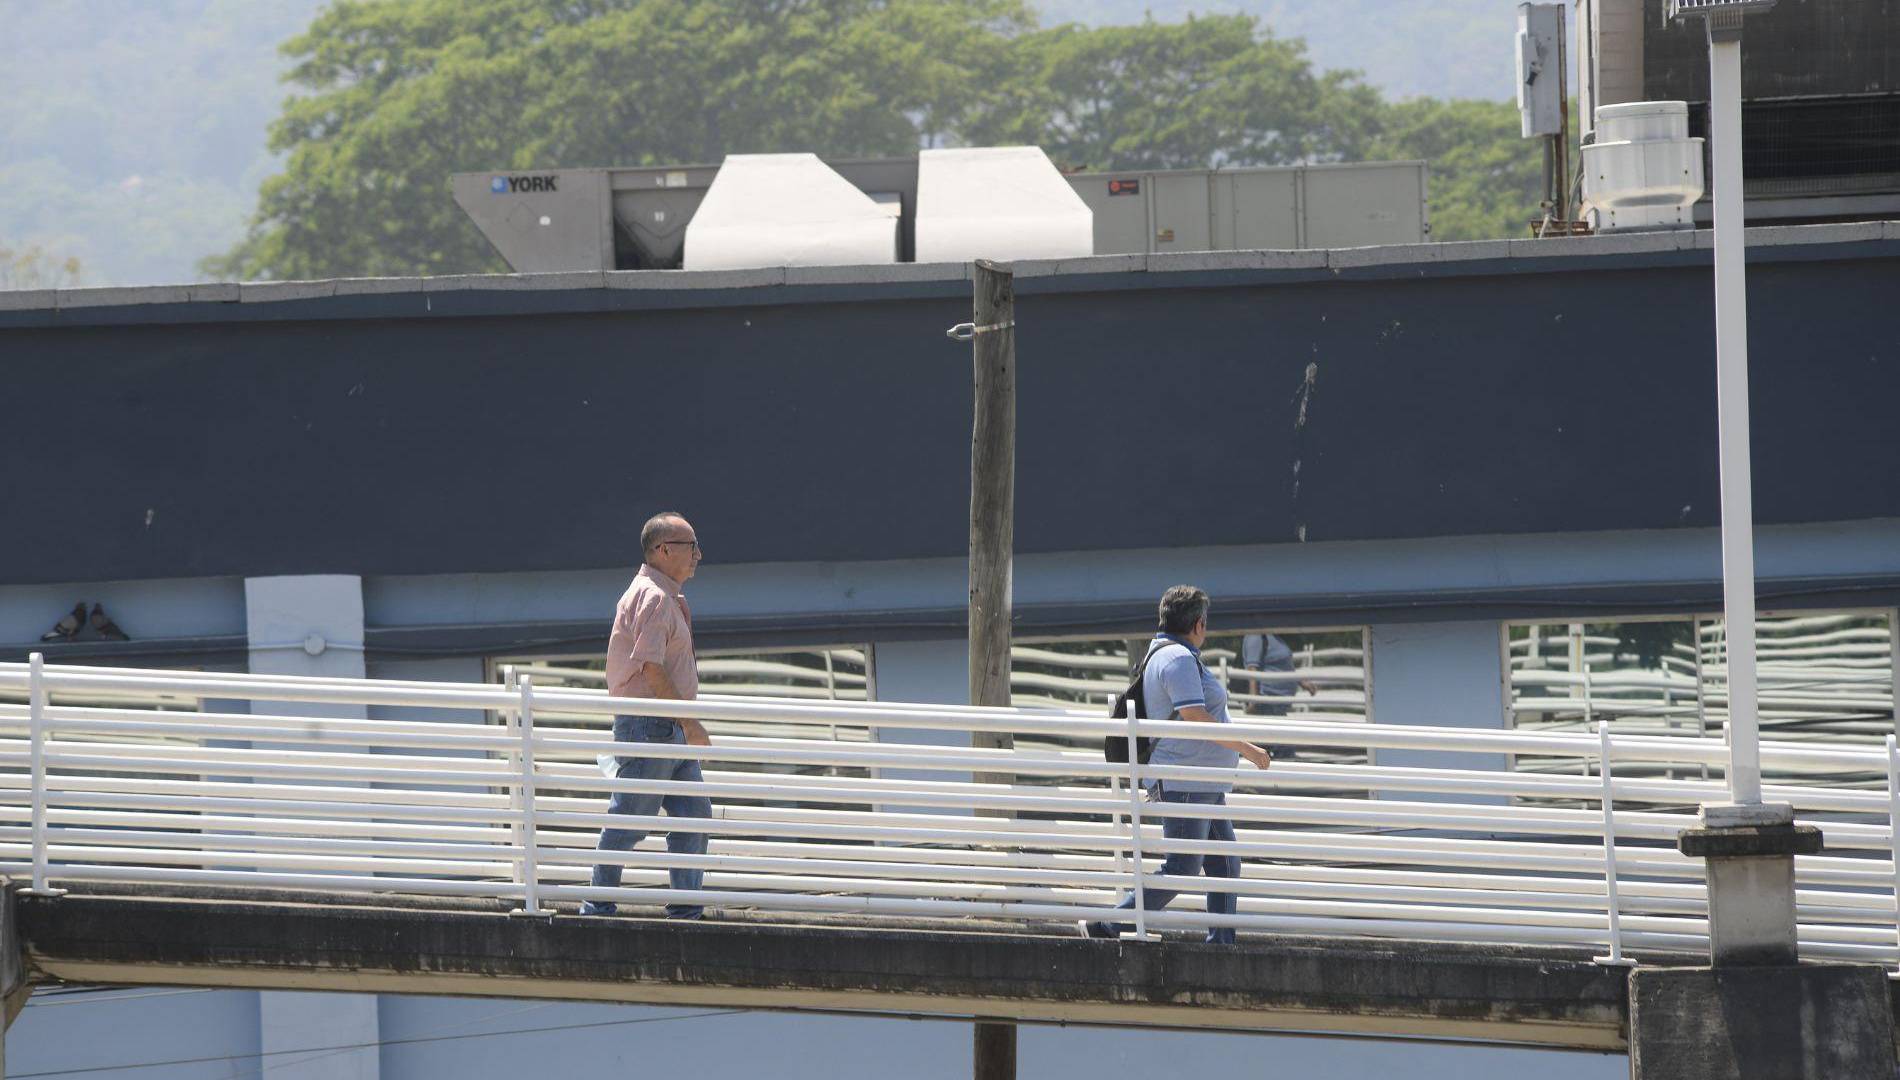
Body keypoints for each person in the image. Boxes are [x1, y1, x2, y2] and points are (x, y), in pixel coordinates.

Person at [1082, 585, 1272, 944]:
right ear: (1198, 624)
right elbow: (1194, 716)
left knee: (1225, 863)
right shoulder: (1178, 659)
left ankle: (1222, 944)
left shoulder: (1171, 655)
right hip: (1185, 782)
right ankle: (1109, 925)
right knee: (1182, 868)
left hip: (1202, 783)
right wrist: (1249, 750)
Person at [580, 512, 713, 919]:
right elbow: (650, 666)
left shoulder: (663, 595)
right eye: (691, 547)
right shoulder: (654, 597)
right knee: (631, 818)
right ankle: (597, 905)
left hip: (664, 725)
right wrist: (690, 724)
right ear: (663, 550)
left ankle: (685, 907)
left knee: (693, 816)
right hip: (652, 725)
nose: (698, 555)